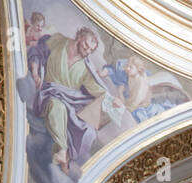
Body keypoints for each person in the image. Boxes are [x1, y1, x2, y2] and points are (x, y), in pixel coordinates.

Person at [27, 26, 123, 174]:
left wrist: (112, 100)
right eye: (86, 46)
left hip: (71, 101)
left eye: (91, 50)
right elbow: (37, 52)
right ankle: (62, 150)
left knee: (89, 131)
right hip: (49, 93)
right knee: (56, 106)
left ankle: (65, 156)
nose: (87, 51)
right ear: (79, 38)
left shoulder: (85, 67)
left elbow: (96, 89)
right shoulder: (58, 41)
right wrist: (35, 72)